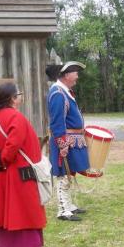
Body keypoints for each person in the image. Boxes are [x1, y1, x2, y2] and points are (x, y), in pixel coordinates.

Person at [0, 82, 47, 247]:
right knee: (22, 211)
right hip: (17, 174)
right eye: (19, 94)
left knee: (4, 212)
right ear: (12, 99)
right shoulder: (16, 118)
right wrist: (2, 160)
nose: (21, 97)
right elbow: (13, 145)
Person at [45, 61, 89, 221]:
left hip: (71, 141)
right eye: (75, 72)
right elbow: (57, 123)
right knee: (63, 174)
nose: (77, 75)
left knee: (69, 173)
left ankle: (69, 206)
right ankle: (63, 210)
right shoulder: (58, 93)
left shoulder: (64, 91)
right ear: (66, 75)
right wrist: (62, 145)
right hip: (64, 142)